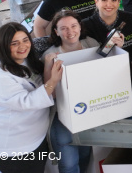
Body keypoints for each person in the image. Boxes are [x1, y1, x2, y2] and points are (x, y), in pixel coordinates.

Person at [0, 22, 63, 173]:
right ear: (3, 46)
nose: (23, 46)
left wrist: (46, 67)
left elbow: (37, 85)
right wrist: (53, 81)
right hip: (12, 150)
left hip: (33, 141)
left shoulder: (23, 60)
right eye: (14, 43)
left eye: (25, 40)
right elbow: (28, 102)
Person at [40, 11, 115, 173]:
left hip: (87, 112)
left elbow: (103, 68)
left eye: (74, 26)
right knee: (68, 164)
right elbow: (50, 95)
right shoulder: (50, 55)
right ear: (56, 32)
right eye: (64, 28)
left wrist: (116, 47)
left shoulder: (90, 43)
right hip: (62, 117)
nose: (70, 31)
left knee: (85, 158)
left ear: (80, 27)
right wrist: (48, 66)